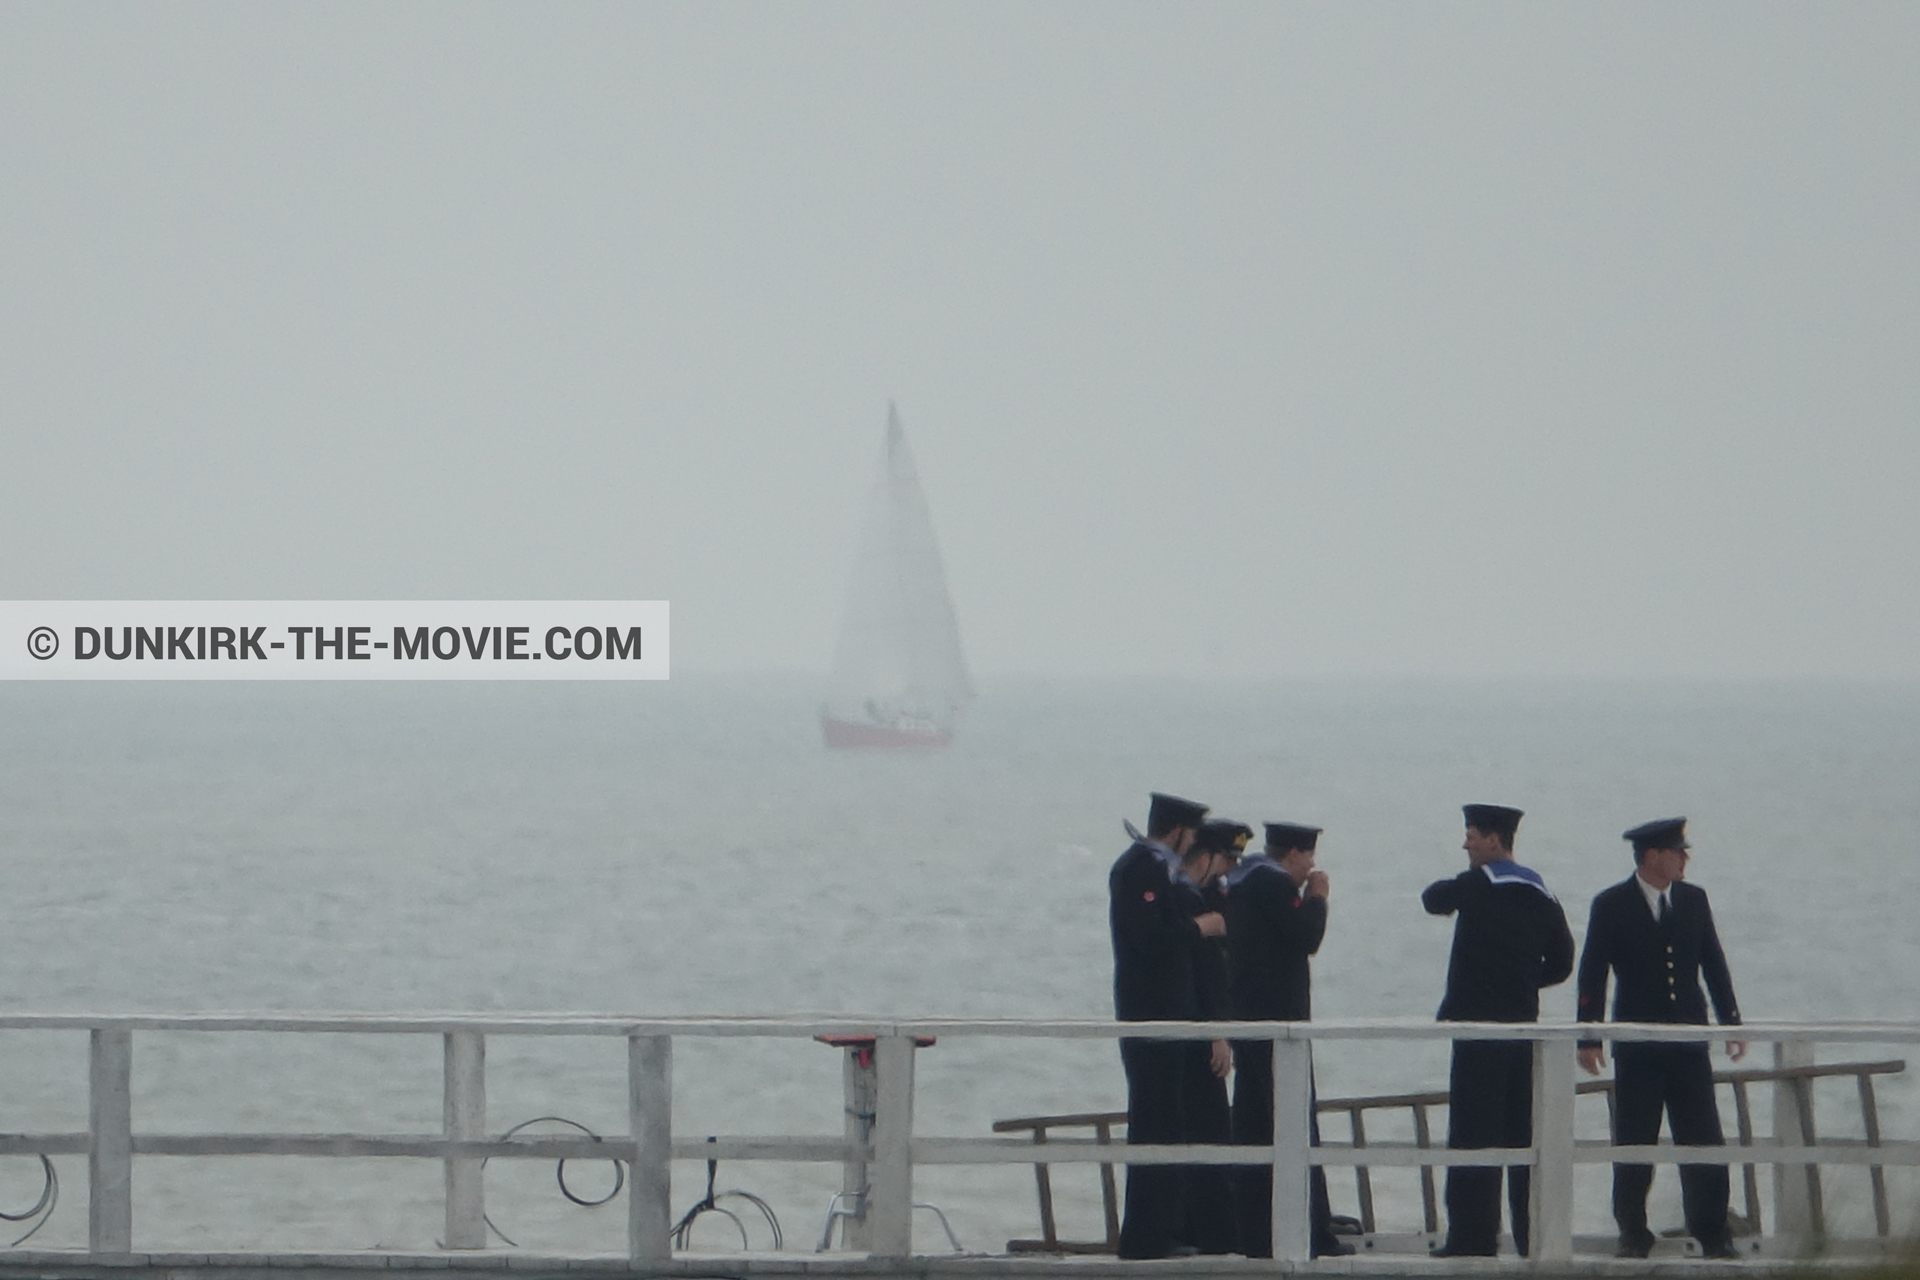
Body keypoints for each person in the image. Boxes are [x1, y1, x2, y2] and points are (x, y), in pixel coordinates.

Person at [1576, 817, 1746, 1260]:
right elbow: (1593, 970)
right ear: (1652, 856)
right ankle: (1633, 1230)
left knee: (1703, 1137)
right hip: (1638, 1045)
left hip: (1689, 1042)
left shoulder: (1693, 900)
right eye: (1677, 851)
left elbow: (1713, 961)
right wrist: (1589, 1035)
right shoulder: (1611, 904)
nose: (1684, 859)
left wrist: (1731, 1020)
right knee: (1635, 1139)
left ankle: (1713, 1230)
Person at [1422, 804, 1574, 1258]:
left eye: (1471, 835)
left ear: (1493, 840)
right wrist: (1525, 982)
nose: (1465, 843)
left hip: (1477, 1030)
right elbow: (1563, 961)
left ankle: (1472, 1238)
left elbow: (1433, 899)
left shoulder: (1479, 883)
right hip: (1523, 1028)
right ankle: (1531, 1237)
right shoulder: (1541, 891)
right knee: (1522, 1135)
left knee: (1472, 1135)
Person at [1223, 821, 1350, 1258]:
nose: (1312, 866)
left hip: (1249, 1019)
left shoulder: (1242, 884)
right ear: (1292, 854)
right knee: (1296, 1127)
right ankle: (1314, 1234)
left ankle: (1256, 1233)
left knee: (1256, 1128)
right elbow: (1305, 938)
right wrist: (1317, 897)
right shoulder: (1273, 885)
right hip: (1280, 1025)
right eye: (1308, 857)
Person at [1109, 791, 1217, 1259]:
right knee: (1156, 1122)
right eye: (1190, 835)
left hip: (1167, 1012)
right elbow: (1149, 939)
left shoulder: (1153, 868)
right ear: (1177, 831)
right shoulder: (1142, 869)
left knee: (1167, 1121)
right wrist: (1201, 927)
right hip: (1151, 1011)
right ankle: (1146, 1237)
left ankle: (1161, 1230)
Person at [1171, 819, 1251, 1254]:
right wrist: (1217, 1031)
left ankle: (1209, 1231)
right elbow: (1206, 975)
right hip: (1199, 1029)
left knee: (1206, 1134)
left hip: (1205, 1025)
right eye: (1224, 860)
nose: (1226, 871)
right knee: (1208, 1133)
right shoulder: (1189, 900)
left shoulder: (1211, 896)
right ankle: (1215, 1238)